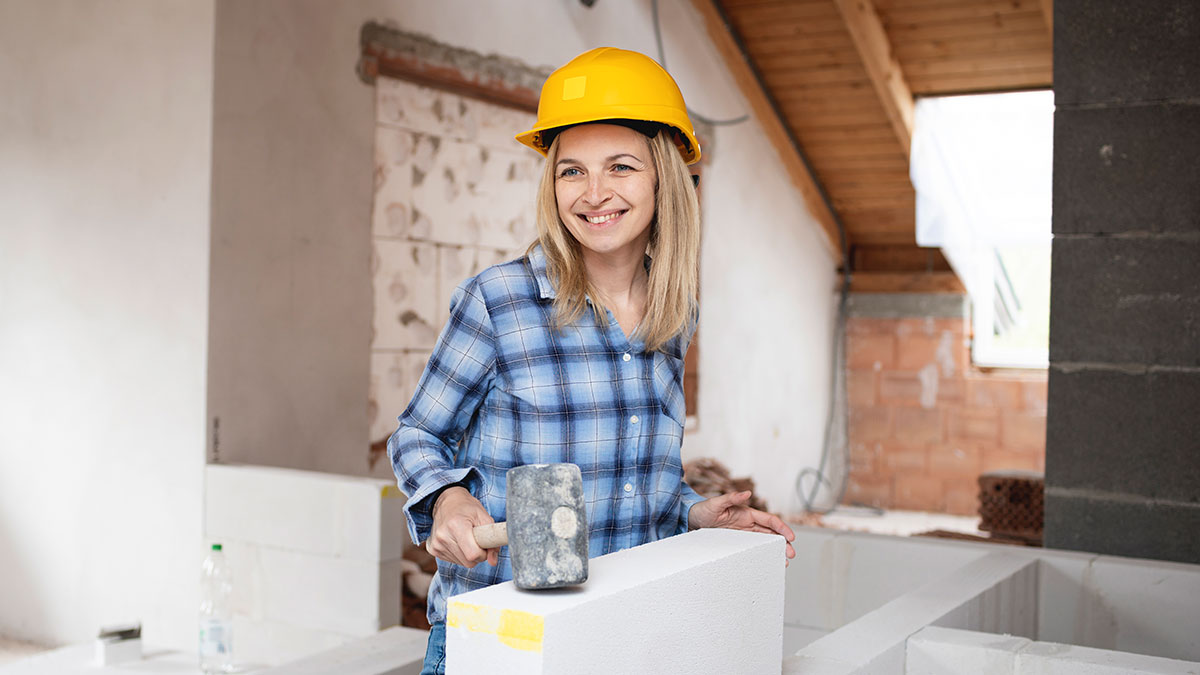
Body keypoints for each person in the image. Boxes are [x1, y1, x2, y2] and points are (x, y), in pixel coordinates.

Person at [389, 47, 796, 675]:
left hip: (623, 634)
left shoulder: (674, 311)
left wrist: (691, 511)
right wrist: (445, 500)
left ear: (662, 176)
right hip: (505, 642)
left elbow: (637, 476)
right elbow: (417, 434)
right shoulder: (501, 301)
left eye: (621, 167)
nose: (594, 193)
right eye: (572, 171)